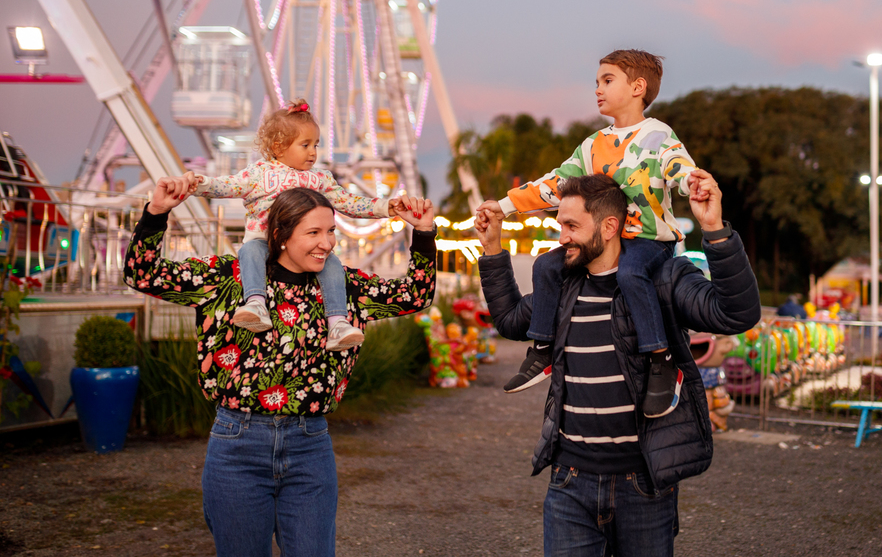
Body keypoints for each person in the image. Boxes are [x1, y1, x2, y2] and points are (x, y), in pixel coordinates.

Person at [124, 180, 437, 557]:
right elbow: (142, 274)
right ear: (280, 235)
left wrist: (422, 232)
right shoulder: (228, 279)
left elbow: (414, 295)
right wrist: (156, 213)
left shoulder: (344, 288)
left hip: (310, 447)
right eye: (314, 232)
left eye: (332, 231)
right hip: (237, 445)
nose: (328, 242)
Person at [476, 171, 759, 556]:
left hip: (643, 483)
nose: (562, 238)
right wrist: (492, 247)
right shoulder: (560, 285)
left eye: (572, 226)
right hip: (568, 483)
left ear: (609, 226)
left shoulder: (664, 280)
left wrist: (714, 229)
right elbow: (509, 320)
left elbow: (736, 314)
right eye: (561, 225)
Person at [477, 49, 700, 417]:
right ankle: (543, 350)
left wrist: (693, 184)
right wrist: (502, 206)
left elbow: (678, 165)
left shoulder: (657, 135)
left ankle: (661, 359)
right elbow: (554, 184)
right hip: (602, 243)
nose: (597, 88)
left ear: (638, 87)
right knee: (546, 266)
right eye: (596, 82)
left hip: (647, 242)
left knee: (631, 276)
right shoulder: (592, 146)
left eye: (607, 81)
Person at [184, 100, 409, 351]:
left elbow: (348, 203)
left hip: (302, 247)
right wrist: (200, 184)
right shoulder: (259, 174)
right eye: (305, 145)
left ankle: (337, 322)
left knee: (332, 263)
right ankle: (256, 302)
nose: (313, 152)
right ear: (278, 147)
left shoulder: (320, 178)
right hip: (264, 239)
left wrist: (385, 208)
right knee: (249, 252)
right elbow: (228, 186)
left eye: (316, 145)